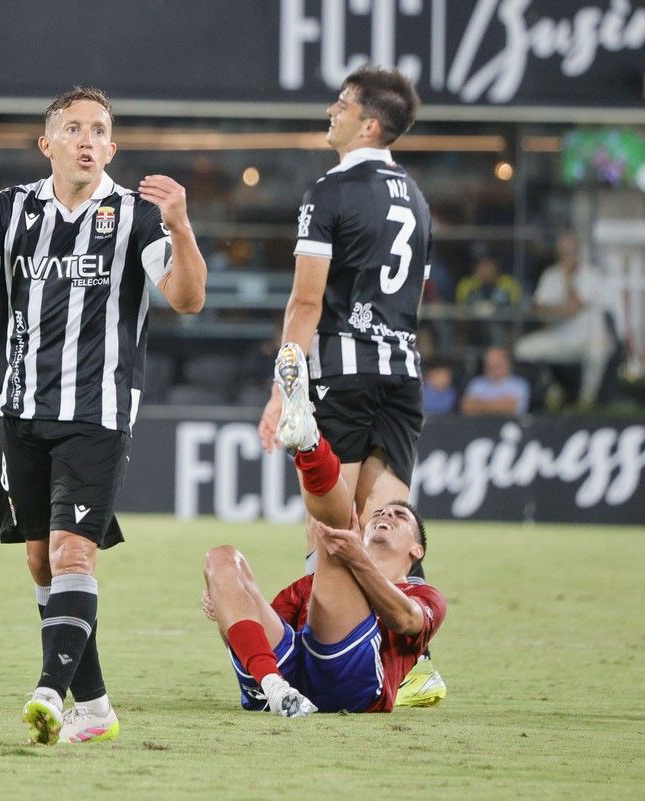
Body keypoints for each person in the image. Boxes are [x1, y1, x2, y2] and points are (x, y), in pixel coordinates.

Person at [0, 86, 207, 745]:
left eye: (99, 130)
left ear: (111, 147)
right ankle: (96, 704)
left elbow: (186, 298)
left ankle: (49, 689)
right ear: (45, 144)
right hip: (20, 410)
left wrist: (181, 226)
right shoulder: (11, 209)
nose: (87, 138)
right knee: (40, 562)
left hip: (98, 412)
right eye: (73, 127)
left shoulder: (137, 215)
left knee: (72, 549)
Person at [257, 65, 445, 701]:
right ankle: (412, 666)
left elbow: (306, 305)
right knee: (381, 532)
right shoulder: (417, 199)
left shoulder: (329, 192)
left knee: (331, 529)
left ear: (369, 122)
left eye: (341, 104)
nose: (330, 112)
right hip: (403, 377)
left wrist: (285, 386)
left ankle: (318, 659)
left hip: (344, 370)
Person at [202, 501, 445, 716]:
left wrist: (358, 558)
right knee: (221, 558)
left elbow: (404, 620)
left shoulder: (424, 596)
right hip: (284, 682)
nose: (386, 514)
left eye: (399, 515)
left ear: (417, 549)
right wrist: (228, 604)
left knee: (333, 532)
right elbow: (257, 640)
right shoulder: (308, 585)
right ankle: (274, 687)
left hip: (351, 689)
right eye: (379, 512)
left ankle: (312, 451)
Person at [514, 232, 613, 406]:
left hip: (589, 339)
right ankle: (551, 387)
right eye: (563, 252)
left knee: (597, 351)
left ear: (578, 252)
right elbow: (538, 310)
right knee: (522, 349)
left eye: (570, 252)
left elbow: (572, 308)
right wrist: (561, 310)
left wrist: (568, 281)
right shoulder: (551, 274)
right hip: (560, 336)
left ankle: (587, 399)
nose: (567, 256)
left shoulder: (591, 274)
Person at [460, 345, 530, 417]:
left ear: (507, 364)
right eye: (490, 366)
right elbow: (466, 407)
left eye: (497, 365)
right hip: (478, 426)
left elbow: (509, 407)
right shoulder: (476, 383)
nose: (494, 370)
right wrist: (498, 404)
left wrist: (479, 405)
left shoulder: (519, 384)